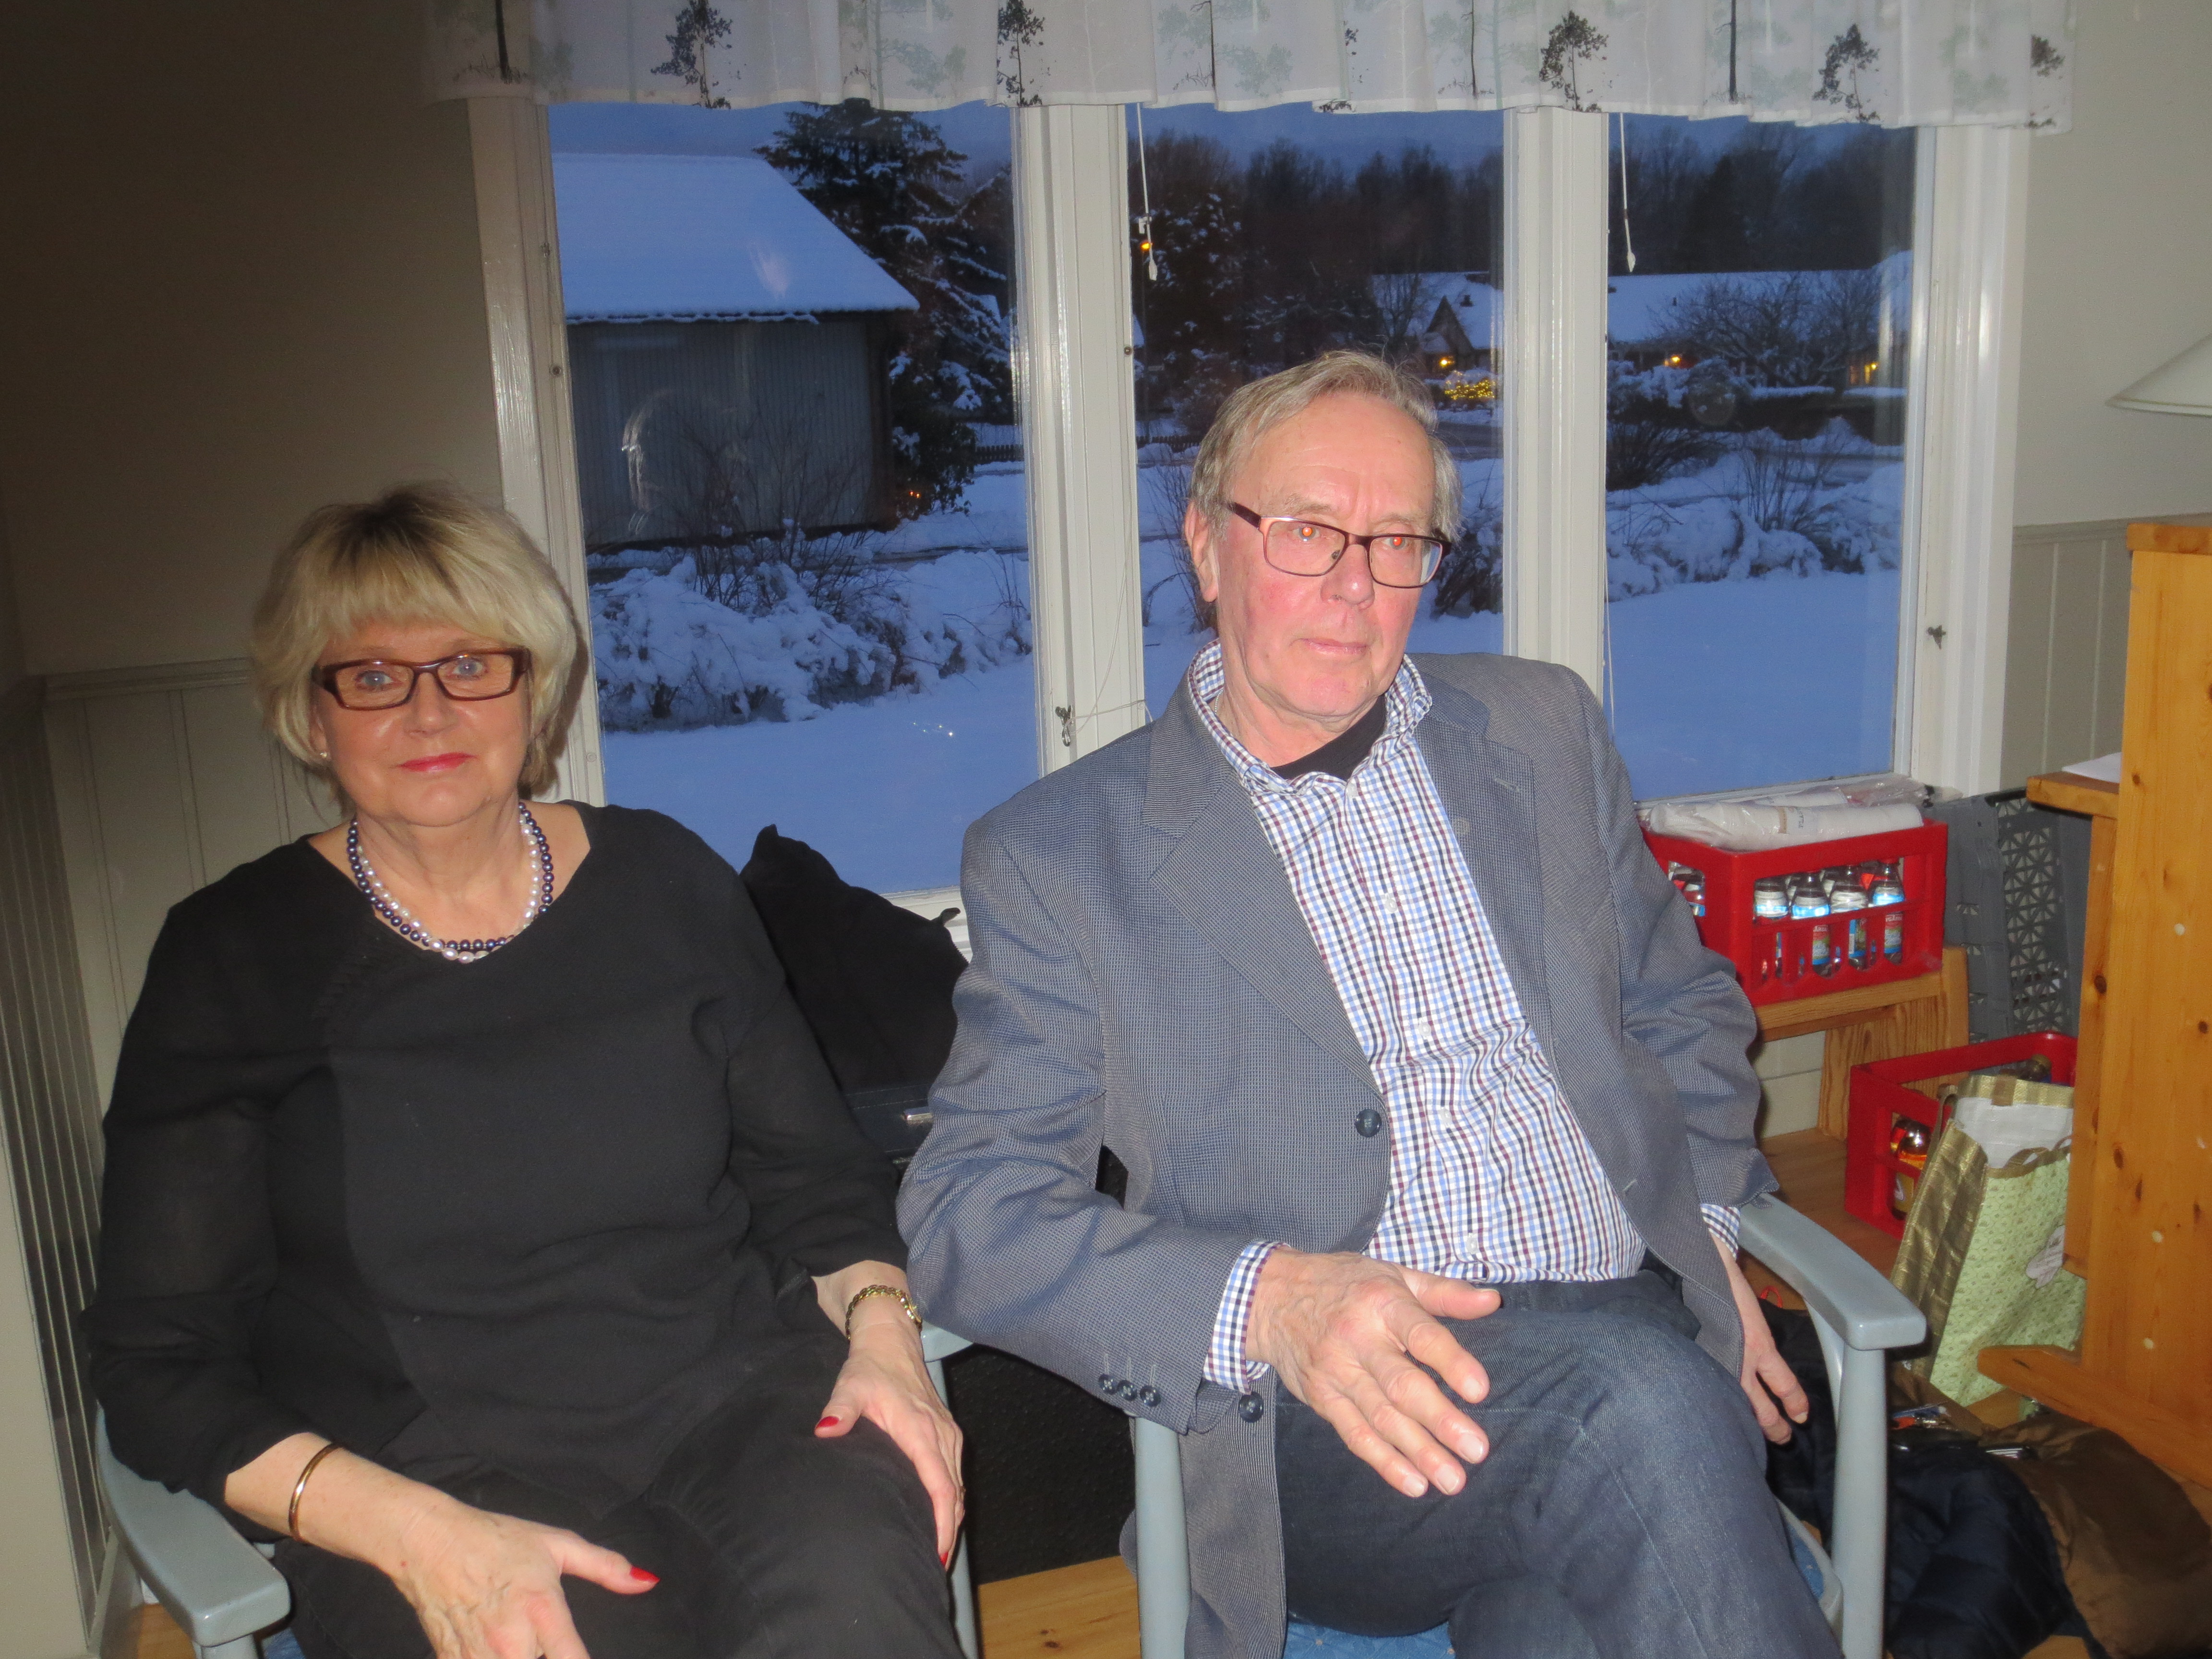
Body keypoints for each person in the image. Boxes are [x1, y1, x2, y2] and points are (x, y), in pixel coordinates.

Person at [899, 353, 1837, 1658]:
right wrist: (1269, 1300)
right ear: (1207, 546)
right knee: (1632, 1409)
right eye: (1306, 531)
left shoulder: (1540, 728)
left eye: (1398, 541)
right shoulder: (1064, 856)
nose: (1355, 584)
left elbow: (1680, 1005)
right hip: (1333, 1410)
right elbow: (971, 1213)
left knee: (1558, 1613)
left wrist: (1708, 1222)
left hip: (1625, 1310)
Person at [89, 486, 964, 1659]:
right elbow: (159, 1364)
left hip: (737, 1405)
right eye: (374, 676)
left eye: (469, 666)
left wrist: (886, 1337)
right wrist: (412, 1536)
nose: (428, 711)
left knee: (858, 1611)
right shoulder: (233, 955)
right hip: (419, 1469)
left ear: (533, 687)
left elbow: (817, 1180)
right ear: (312, 711)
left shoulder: (666, 881)